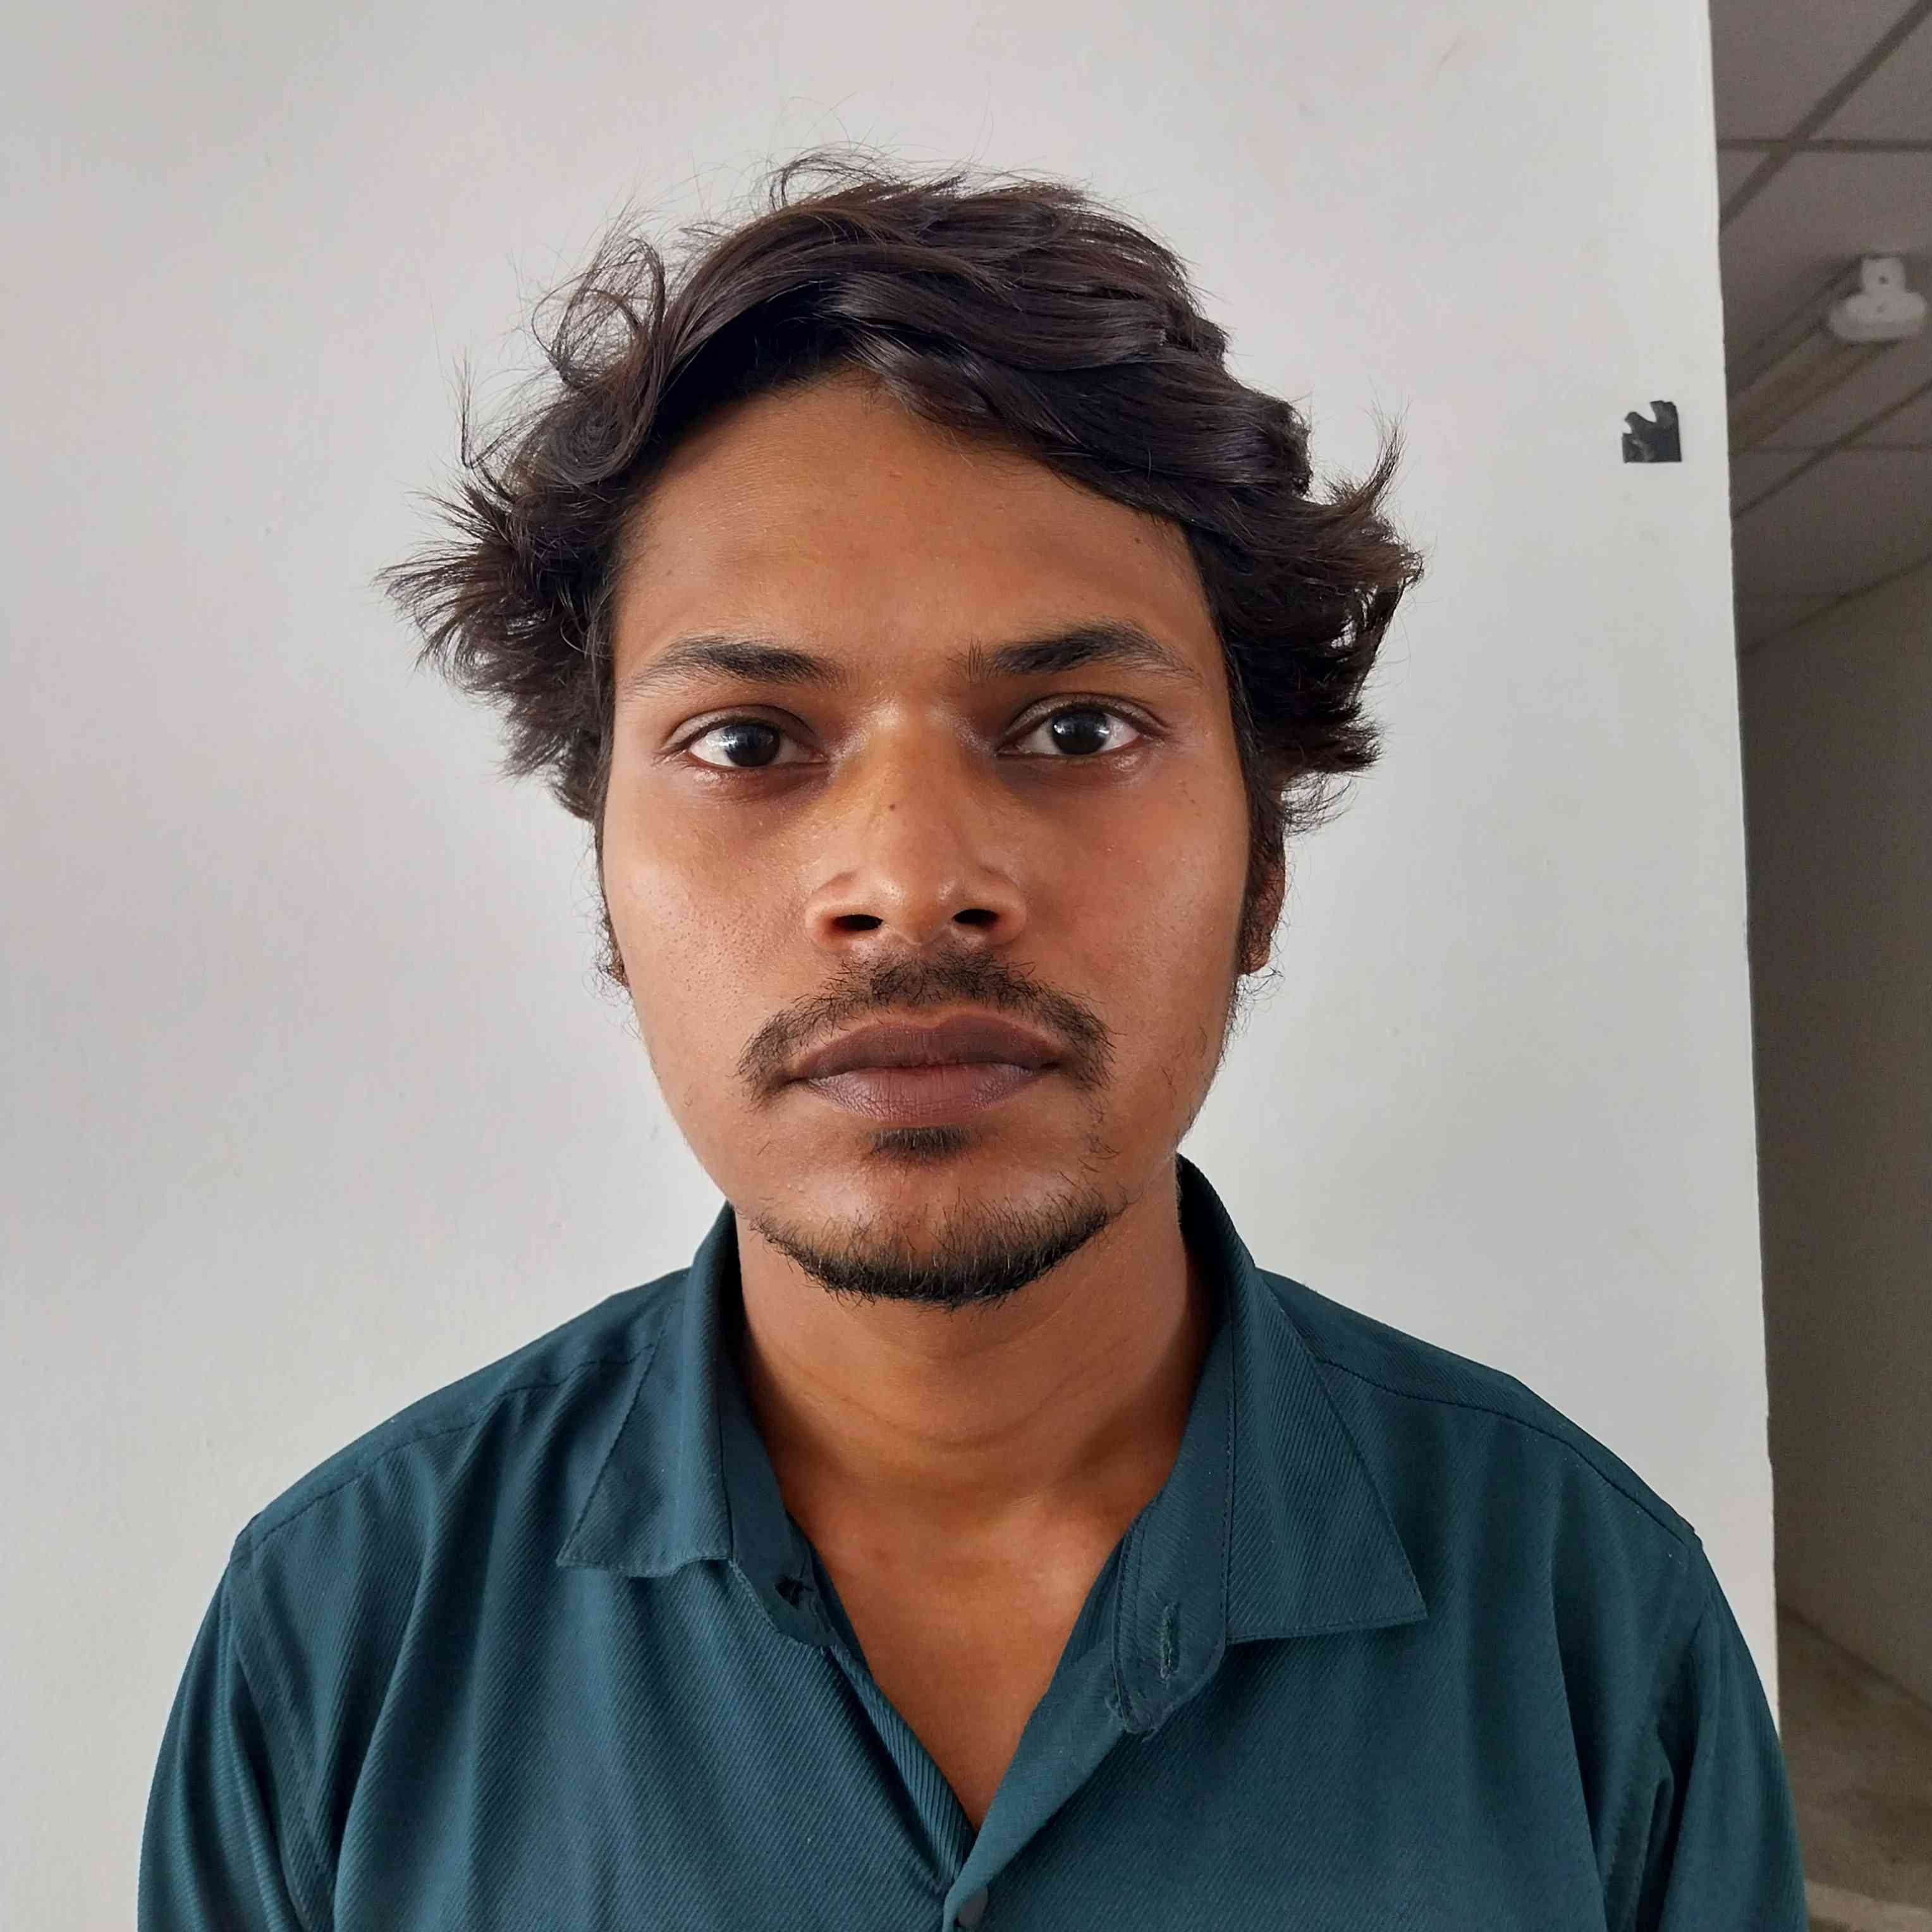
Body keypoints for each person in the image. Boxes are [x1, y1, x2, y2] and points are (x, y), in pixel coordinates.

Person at [140, 146, 1809, 1930]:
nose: (914, 885)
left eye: (1078, 729)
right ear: (606, 881)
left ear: (1261, 870)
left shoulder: (1586, 1619)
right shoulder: (340, 1634)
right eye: (747, 742)